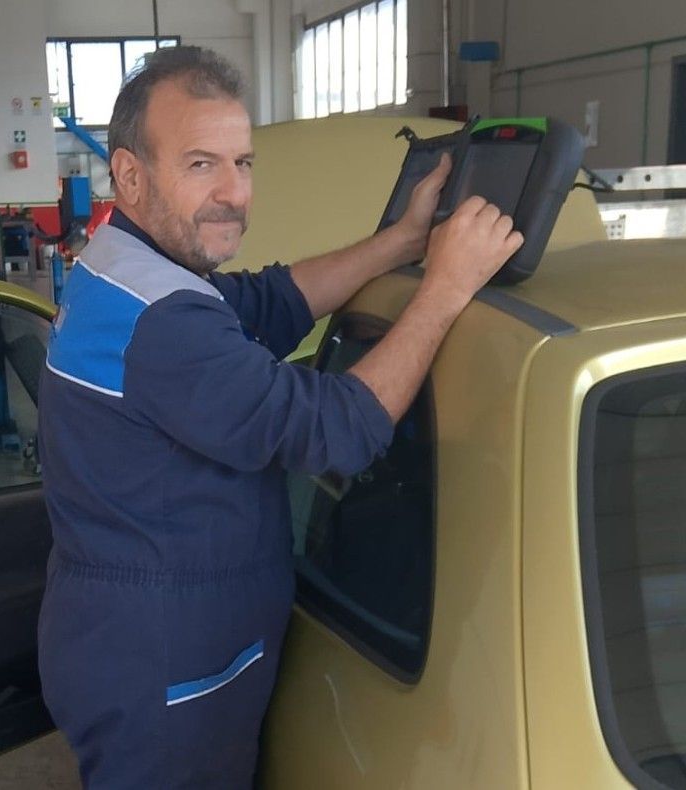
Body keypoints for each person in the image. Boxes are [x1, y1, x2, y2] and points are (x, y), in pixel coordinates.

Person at [37, 45, 523, 789]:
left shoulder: (127, 269)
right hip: (168, 672)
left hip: (126, 636)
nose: (234, 192)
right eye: (202, 164)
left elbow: (266, 302)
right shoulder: (162, 320)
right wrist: (445, 290)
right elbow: (336, 430)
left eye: (244, 162)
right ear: (130, 174)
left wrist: (400, 242)